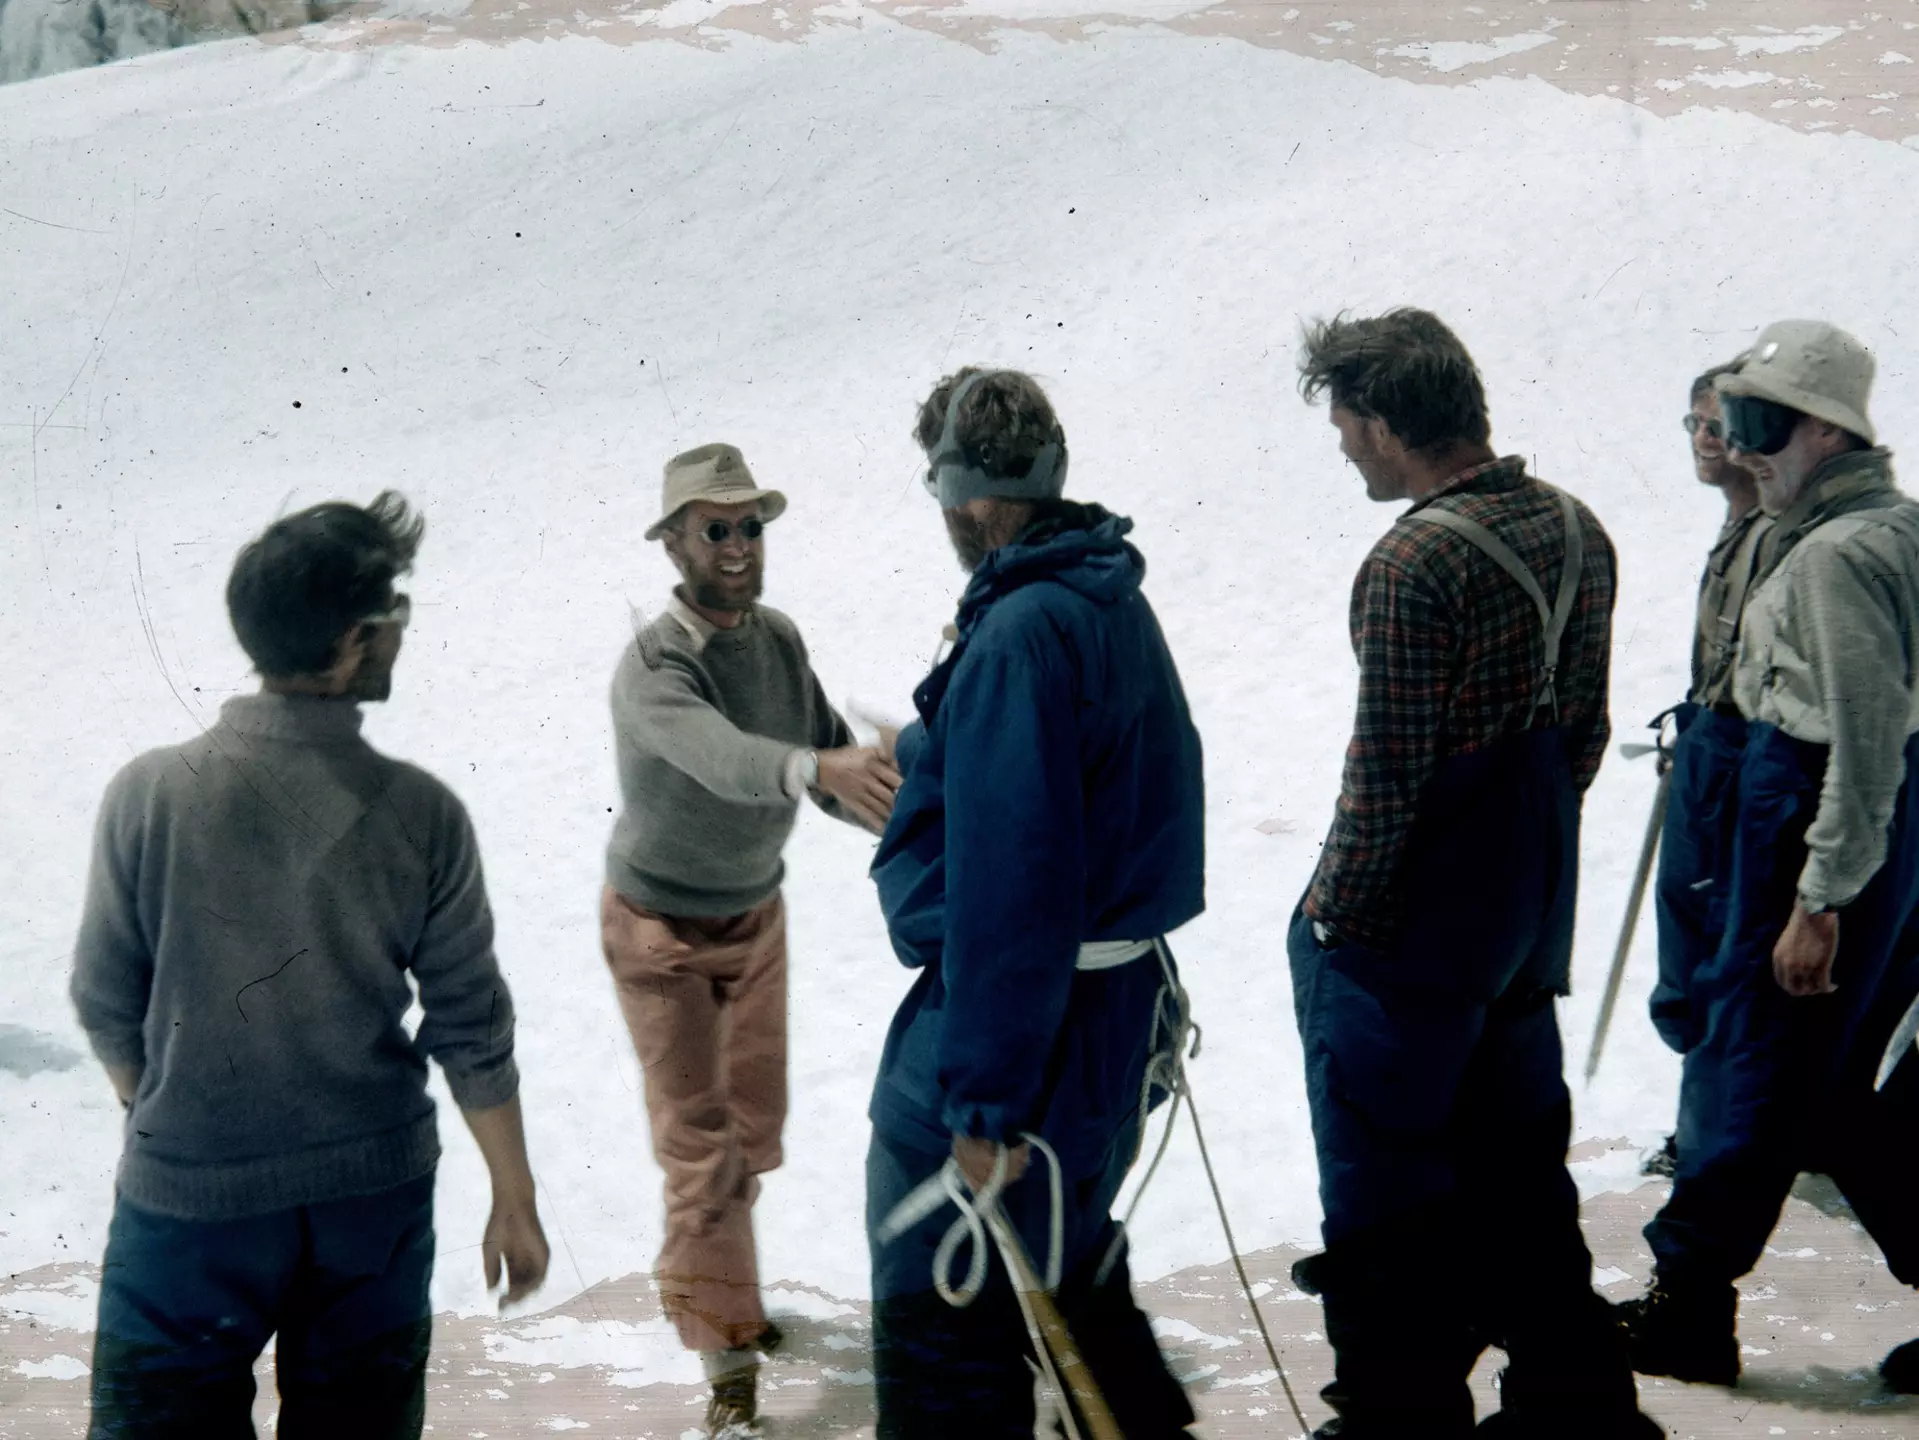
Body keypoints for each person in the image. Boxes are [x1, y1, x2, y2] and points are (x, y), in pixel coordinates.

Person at [71, 491, 550, 1438]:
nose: (401, 638)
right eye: (394, 619)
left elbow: (101, 998)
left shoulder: (149, 794)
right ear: (355, 641)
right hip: (369, 1204)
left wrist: (165, 1114)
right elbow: (470, 1026)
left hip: (187, 1208)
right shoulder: (421, 815)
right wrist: (515, 1195)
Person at [1286, 308, 1660, 1438]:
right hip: (1524, 907)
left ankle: (1398, 1415)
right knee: (1515, 1159)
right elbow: (1583, 734)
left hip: (1411, 927)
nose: (1344, 444)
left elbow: (1386, 775)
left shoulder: (1412, 559)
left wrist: (1331, 921)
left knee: (1382, 1179)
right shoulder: (1575, 526)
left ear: (1392, 421)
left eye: (1348, 422)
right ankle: (1571, 1400)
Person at [863, 367, 1206, 1438]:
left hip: (1020, 1037)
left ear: (962, 493)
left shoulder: (1017, 632)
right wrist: (928, 754)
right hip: (1103, 1021)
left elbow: (1014, 887)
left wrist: (982, 1103)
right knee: (1063, 1260)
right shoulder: (1101, 593)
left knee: (946, 1314)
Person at [1621, 321, 1919, 1395]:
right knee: (1827, 1091)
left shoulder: (1833, 554)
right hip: (1854, 815)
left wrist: (1820, 896)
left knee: (1755, 1067)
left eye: (1753, 424)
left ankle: (1688, 1306)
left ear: (1823, 431)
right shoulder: (1890, 527)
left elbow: (1862, 731)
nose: (1736, 448)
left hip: (1812, 813)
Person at [600, 442, 901, 1438]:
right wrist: (816, 764)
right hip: (659, 934)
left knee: (751, 1137)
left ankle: (715, 1294)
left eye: (748, 526)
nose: (735, 546)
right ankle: (727, 1373)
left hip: (753, 918)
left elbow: (821, 767)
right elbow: (727, 760)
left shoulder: (774, 638)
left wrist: (895, 793)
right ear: (674, 542)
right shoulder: (654, 665)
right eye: (714, 529)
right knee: (701, 1152)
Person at [1641, 358, 1773, 1178]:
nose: (1702, 439)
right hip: (1709, 749)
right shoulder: (1735, 526)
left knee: (1726, 954)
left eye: (1717, 424)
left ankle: (1716, 1140)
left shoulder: (1779, 534)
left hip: (1747, 761)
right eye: (1692, 422)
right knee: (1693, 951)